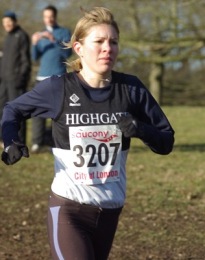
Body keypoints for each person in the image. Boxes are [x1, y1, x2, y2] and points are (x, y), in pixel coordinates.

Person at [1, 7, 175, 260]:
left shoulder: (131, 89)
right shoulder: (58, 88)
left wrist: (140, 129)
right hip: (69, 208)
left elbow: (166, 141)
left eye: (113, 42)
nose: (108, 48)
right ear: (79, 47)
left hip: (110, 211)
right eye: (99, 41)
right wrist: (11, 141)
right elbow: (12, 109)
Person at [31, 5, 72, 153]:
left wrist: (53, 40)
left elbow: (68, 54)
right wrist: (34, 44)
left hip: (58, 77)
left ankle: (53, 141)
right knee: (38, 112)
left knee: (58, 112)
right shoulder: (40, 34)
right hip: (41, 78)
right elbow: (34, 57)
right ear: (43, 17)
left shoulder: (64, 32)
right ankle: (37, 142)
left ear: (55, 16)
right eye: (46, 16)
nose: (48, 19)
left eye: (51, 16)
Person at [0, 11, 31, 146]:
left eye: (9, 21)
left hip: (16, 82)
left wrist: (20, 79)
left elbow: (25, 60)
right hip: (4, 82)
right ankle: (4, 138)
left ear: (15, 21)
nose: (7, 24)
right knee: (2, 109)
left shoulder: (21, 36)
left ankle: (18, 142)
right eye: (4, 22)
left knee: (17, 111)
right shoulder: (7, 37)